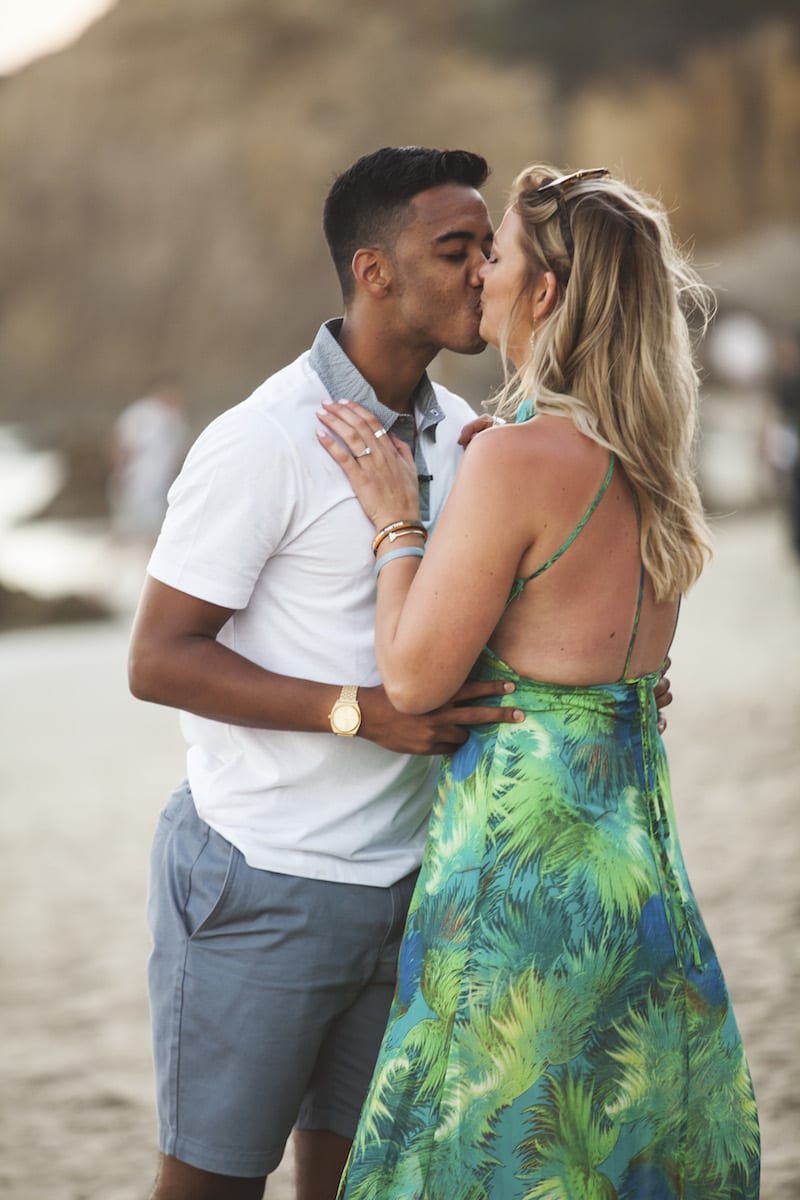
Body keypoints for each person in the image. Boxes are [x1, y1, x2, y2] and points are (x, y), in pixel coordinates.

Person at [132, 148, 666, 1200]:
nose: (480, 273)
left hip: (422, 885)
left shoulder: (474, 439)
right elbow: (158, 659)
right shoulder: (265, 441)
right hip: (266, 876)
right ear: (374, 272)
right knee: (211, 1184)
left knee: (358, 1181)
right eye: (453, 249)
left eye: (486, 250)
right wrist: (355, 711)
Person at [319, 165, 760, 1198]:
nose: (479, 281)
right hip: (638, 873)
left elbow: (415, 678)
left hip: (525, 886)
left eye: (497, 260)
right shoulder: (647, 459)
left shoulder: (515, 459)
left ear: (546, 295)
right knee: (615, 1152)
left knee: (490, 1155)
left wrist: (398, 522)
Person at [108, 378, 189, 544]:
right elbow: (120, 445)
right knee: (127, 528)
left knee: (156, 531)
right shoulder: (141, 414)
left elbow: (178, 454)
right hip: (137, 481)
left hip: (162, 484)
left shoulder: (177, 419)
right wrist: (119, 473)